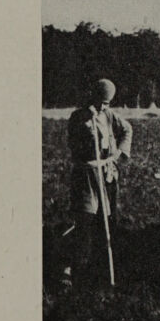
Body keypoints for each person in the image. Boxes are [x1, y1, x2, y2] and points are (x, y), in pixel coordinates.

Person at [62, 78, 132, 287]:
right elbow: (75, 142)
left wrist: (119, 152)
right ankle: (75, 271)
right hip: (86, 177)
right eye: (100, 101)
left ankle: (101, 272)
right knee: (85, 221)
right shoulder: (78, 117)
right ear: (91, 96)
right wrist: (88, 122)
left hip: (107, 175)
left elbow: (127, 129)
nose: (102, 106)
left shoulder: (109, 115)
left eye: (107, 103)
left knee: (107, 222)